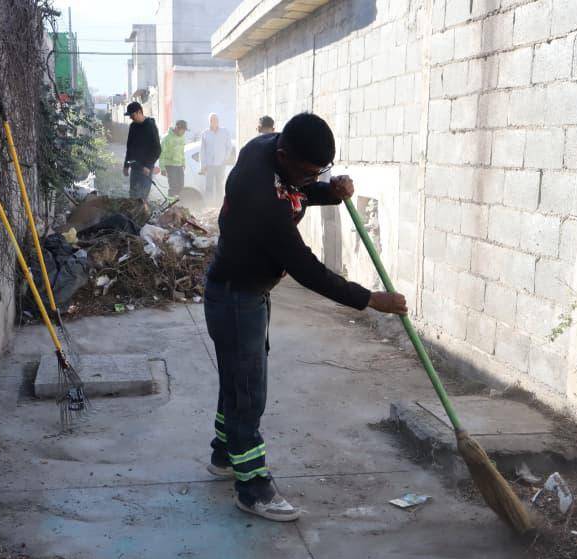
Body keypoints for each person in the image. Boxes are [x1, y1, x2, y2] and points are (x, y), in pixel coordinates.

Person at [204, 112, 408, 522]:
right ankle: (252, 487)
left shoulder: (274, 152)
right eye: (310, 172)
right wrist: (370, 299)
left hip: (247, 292)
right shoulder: (262, 198)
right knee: (249, 393)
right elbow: (307, 270)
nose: (313, 178)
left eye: (322, 170)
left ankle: (224, 455)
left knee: (238, 380)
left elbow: (299, 188)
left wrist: (331, 191)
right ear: (284, 156)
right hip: (235, 297)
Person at [123, 101, 161, 200]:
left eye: (132, 115)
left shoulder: (150, 126)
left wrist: (148, 165)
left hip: (146, 169)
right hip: (135, 167)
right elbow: (129, 147)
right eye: (130, 116)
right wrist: (126, 165)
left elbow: (157, 149)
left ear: (139, 112)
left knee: (142, 198)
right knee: (133, 196)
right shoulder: (133, 126)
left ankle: (143, 209)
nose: (131, 118)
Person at [199, 113, 233, 204]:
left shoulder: (225, 132)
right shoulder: (205, 133)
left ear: (218, 121)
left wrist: (225, 159)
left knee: (220, 186)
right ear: (209, 121)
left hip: (221, 164)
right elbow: (202, 151)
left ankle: (219, 205)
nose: (213, 121)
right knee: (208, 187)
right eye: (211, 120)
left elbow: (229, 147)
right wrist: (203, 165)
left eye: (215, 120)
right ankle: (209, 204)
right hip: (209, 165)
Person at [159, 119, 187, 197]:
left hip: (179, 166)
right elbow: (161, 154)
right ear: (177, 128)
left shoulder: (182, 137)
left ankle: (178, 203)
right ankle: (171, 203)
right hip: (170, 166)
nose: (184, 133)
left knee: (181, 187)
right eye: (183, 130)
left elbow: (182, 152)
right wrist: (162, 168)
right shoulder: (166, 138)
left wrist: (183, 163)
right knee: (173, 187)